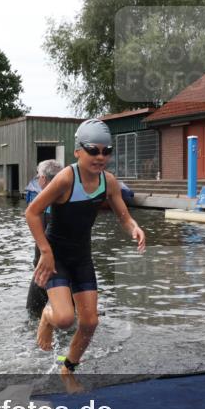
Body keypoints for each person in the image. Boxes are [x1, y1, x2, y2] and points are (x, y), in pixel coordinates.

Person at [25, 119, 145, 375]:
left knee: (90, 322)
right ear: (78, 151)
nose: (100, 157)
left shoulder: (109, 182)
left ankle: (68, 369)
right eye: (93, 150)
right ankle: (47, 316)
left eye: (106, 151)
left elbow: (123, 216)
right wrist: (45, 252)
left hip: (82, 257)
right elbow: (32, 213)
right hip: (56, 256)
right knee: (65, 319)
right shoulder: (66, 178)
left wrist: (134, 227)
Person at [26, 159, 62, 319]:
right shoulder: (66, 199)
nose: (37, 178)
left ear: (44, 179)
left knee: (33, 312)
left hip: (46, 267)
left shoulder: (44, 203)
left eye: (39, 176)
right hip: (67, 268)